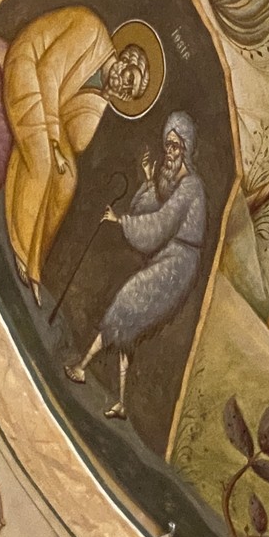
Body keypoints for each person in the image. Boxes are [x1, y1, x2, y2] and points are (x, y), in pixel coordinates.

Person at [0, 10, 158, 303]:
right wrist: (54, 142)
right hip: (28, 65)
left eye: (129, 93)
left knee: (68, 180)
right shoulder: (92, 33)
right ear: (126, 59)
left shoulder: (103, 92)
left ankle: (35, 262)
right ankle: (20, 249)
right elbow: (47, 73)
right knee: (42, 162)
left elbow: (77, 141)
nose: (124, 88)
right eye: (130, 77)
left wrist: (100, 101)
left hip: (50, 105)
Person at [67, 111, 209, 420]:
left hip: (178, 265)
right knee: (129, 324)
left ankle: (82, 365)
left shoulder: (191, 187)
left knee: (127, 300)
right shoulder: (178, 185)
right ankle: (120, 402)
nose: (169, 153)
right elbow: (154, 209)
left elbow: (160, 223)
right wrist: (147, 180)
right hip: (170, 259)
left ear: (186, 149)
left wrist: (121, 221)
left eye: (175, 146)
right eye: (167, 145)